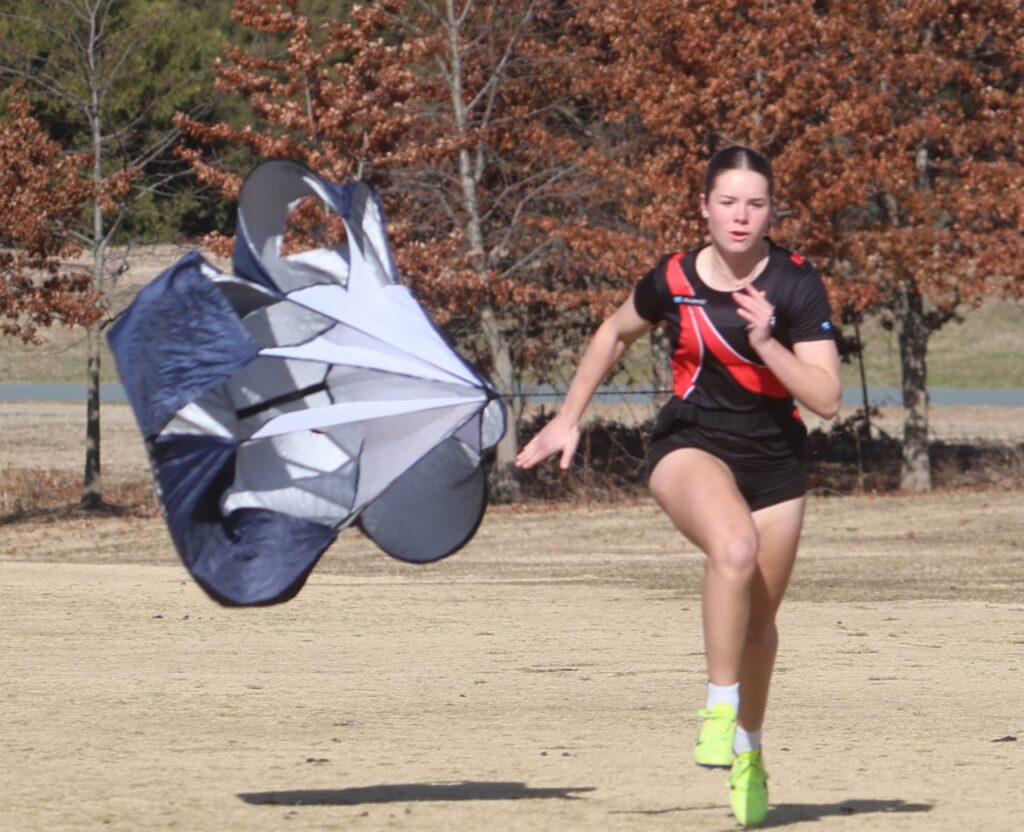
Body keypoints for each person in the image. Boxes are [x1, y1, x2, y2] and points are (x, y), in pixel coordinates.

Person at [515, 145, 841, 827]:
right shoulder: (673, 277)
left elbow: (827, 399)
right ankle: (719, 706)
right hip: (690, 445)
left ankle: (749, 751)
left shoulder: (797, 284)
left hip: (776, 465)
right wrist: (568, 418)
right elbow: (612, 333)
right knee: (732, 547)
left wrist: (768, 341)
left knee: (760, 627)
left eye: (755, 203)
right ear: (704, 207)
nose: (741, 216)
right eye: (728, 202)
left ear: (772, 209)